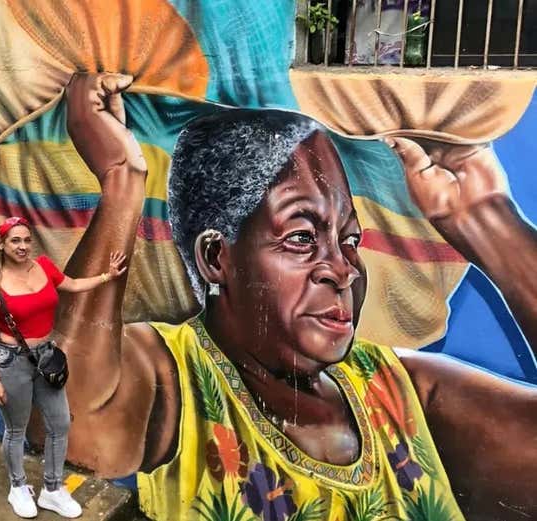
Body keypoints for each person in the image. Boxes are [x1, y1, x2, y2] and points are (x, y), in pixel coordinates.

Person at [54, 73, 537, 520]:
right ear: (216, 257)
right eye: (302, 238)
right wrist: (121, 180)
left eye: (349, 241)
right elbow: (75, 423)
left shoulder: (401, 393)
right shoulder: (178, 381)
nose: (344, 271)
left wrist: (488, 223)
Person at [0, 215, 126, 519]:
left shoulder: (44, 267)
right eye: (15, 240)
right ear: (1, 244)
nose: (23, 246)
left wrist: (108, 276)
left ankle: (52, 489)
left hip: (46, 357)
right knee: (16, 429)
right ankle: (18, 487)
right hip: (11, 362)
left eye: (27, 240)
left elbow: (73, 284)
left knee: (60, 424)